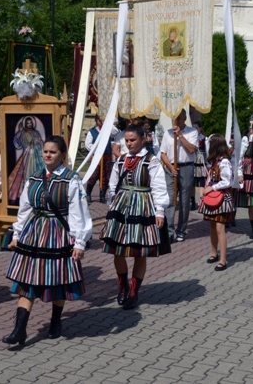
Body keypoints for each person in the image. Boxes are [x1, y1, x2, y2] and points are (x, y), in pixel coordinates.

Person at [2, 136, 92, 345]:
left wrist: (79, 242)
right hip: (33, 234)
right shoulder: (33, 177)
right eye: (45, 151)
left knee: (58, 279)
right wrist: (16, 235)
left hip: (59, 234)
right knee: (27, 280)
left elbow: (79, 212)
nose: (48, 155)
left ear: (61, 155)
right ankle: (20, 329)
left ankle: (55, 321)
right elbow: (24, 209)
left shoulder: (72, 179)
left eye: (53, 152)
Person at [101, 124, 170, 310]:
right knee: (117, 250)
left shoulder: (152, 161)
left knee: (140, 252)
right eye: (127, 140)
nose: (129, 144)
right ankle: (122, 285)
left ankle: (133, 291)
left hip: (143, 206)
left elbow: (159, 187)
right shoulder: (122, 160)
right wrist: (111, 205)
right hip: (122, 207)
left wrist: (160, 211)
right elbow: (113, 184)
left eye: (133, 140)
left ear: (142, 139)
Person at [160, 109, 198, 243]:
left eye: (180, 118)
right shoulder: (167, 134)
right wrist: (170, 167)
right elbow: (163, 153)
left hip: (186, 166)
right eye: (175, 118)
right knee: (170, 200)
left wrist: (180, 136)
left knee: (184, 200)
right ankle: (169, 231)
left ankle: (181, 230)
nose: (177, 121)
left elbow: (192, 149)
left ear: (185, 118)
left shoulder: (192, 132)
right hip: (171, 168)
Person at [198, 134, 235, 271]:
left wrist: (211, 188)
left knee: (220, 228)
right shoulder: (214, 162)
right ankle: (214, 253)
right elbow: (209, 179)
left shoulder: (224, 162)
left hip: (221, 197)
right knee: (212, 227)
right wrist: (204, 193)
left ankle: (223, 259)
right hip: (212, 196)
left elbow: (227, 182)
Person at [8, 116, 44, 203]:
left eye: (30, 123)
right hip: (26, 155)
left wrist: (38, 142)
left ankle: (36, 191)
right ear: (25, 124)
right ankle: (24, 193)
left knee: (37, 171)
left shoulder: (36, 132)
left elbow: (40, 144)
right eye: (27, 123)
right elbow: (17, 143)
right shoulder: (22, 133)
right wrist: (20, 132)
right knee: (24, 173)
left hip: (35, 155)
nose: (29, 124)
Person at [84, 116, 117, 203]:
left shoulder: (108, 130)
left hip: (107, 156)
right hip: (97, 157)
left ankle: (102, 195)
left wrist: (109, 124)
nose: (101, 122)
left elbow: (116, 133)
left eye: (103, 120)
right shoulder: (92, 132)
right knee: (94, 175)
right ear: (96, 121)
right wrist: (97, 149)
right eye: (100, 120)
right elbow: (88, 144)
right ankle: (88, 193)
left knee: (106, 176)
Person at [192, 121, 207, 209]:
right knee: (192, 182)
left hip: (201, 161)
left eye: (196, 128)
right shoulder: (190, 138)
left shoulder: (204, 138)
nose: (194, 130)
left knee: (202, 182)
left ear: (200, 129)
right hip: (193, 161)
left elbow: (207, 151)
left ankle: (202, 200)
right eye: (193, 128)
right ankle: (193, 201)